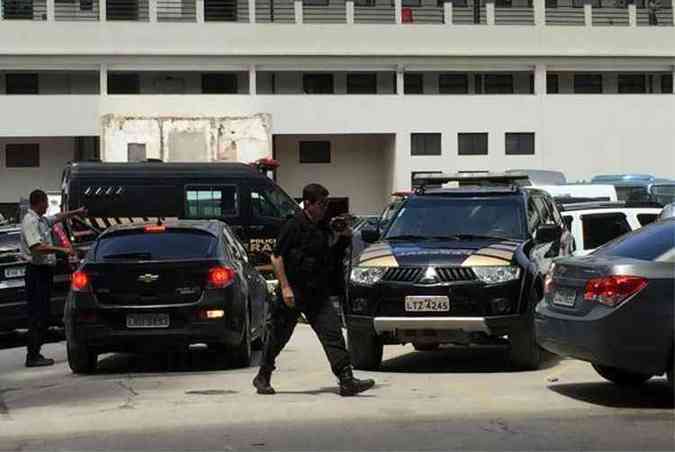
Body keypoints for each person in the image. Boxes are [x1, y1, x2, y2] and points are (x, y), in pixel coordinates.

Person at [253, 184, 375, 396]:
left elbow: (332, 255)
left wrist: (344, 236)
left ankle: (346, 379)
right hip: (294, 292)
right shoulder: (294, 225)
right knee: (279, 336)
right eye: (321, 204)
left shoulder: (322, 228)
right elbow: (276, 256)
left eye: (326, 204)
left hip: (317, 292)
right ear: (308, 204)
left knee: (332, 333)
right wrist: (285, 287)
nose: (324, 208)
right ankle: (263, 376)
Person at [21, 189, 86, 367]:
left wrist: (75, 213)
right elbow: (36, 247)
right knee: (37, 314)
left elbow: (57, 217)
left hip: (43, 271)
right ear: (39, 202)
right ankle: (32, 355)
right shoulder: (30, 222)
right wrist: (63, 250)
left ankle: (35, 352)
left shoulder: (41, 220)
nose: (48, 206)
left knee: (43, 312)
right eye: (46, 202)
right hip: (36, 272)